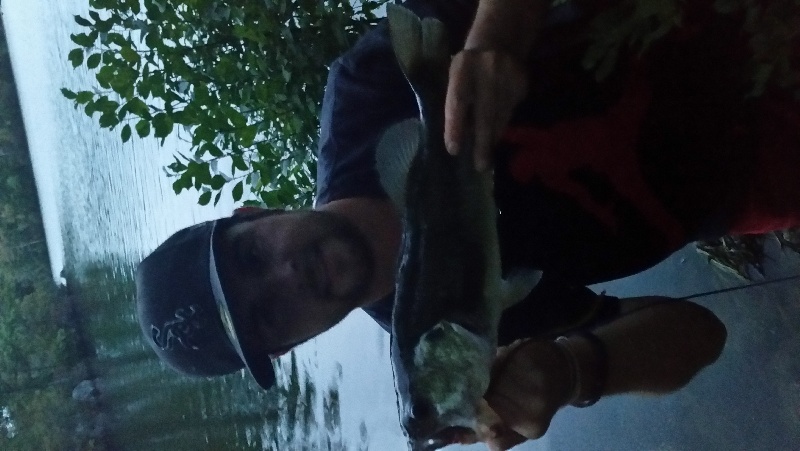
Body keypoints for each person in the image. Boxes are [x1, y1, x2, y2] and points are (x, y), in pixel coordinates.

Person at [135, 0, 798, 449]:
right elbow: (698, 334)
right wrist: (574, 371)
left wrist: (494, 37)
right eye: (269, 314)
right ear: (287, 346)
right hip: (770, 177)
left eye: (252, 256)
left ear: (253, 213)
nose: (287, 277)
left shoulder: (369, 90)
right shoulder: (451, 341)